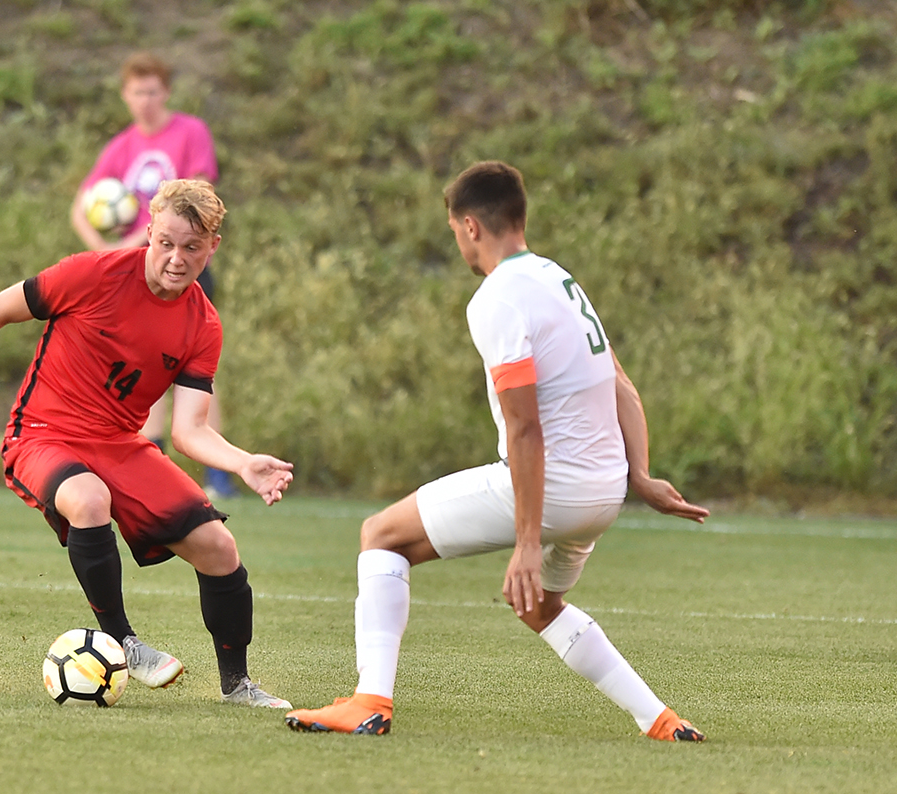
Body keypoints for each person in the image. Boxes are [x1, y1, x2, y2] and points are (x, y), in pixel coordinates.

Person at [284, 162, 710, 739]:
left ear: (469, 227)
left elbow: (525, 428)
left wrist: (528, 541)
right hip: (605, 491)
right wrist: (641, 476)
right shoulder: (560, 280)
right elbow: (621, 384)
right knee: (539, 607)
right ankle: (658, 719)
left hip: (551, 487)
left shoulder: (497, 298)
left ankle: (370, 702)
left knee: (381, 535)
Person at [0, 179, 292, 708]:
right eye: (167, 243)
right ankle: (123, 642)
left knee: (218, 548)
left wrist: (244, 463)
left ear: (213, 248)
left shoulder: (203, 324)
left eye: (192, 248)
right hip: (41, 433)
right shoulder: (94, 274)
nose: (177, 258)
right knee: (88, 500)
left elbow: (188, 430)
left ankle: (237, 685)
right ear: (148, 232)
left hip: (118, 444)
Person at [68, 53, 236, 498]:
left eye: (153, 91)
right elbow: (81, 205)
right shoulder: (122, 146)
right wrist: (106, 250)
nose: (145, 100)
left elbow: (201, 195)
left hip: (185, 272)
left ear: (166, 92)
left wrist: (147, 242)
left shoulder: (189, 133)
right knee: (143, 364)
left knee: (197, 371)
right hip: (138, 276)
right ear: (126, 95)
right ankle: (152, 457)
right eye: (137, 92)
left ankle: (218, 476)